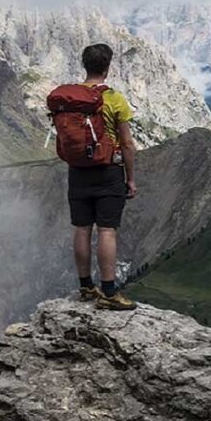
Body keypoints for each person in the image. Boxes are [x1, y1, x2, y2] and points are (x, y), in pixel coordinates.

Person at [69, 43, 138, 310]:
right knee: (107, 230)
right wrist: (130, 179)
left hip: (77, 171)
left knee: (82, 228)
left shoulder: (70, 99)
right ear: (107, 68)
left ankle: (86, 287)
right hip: (108, 170)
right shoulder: (115, 99)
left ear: (85, 65)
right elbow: (128, 144)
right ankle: (109, 292)